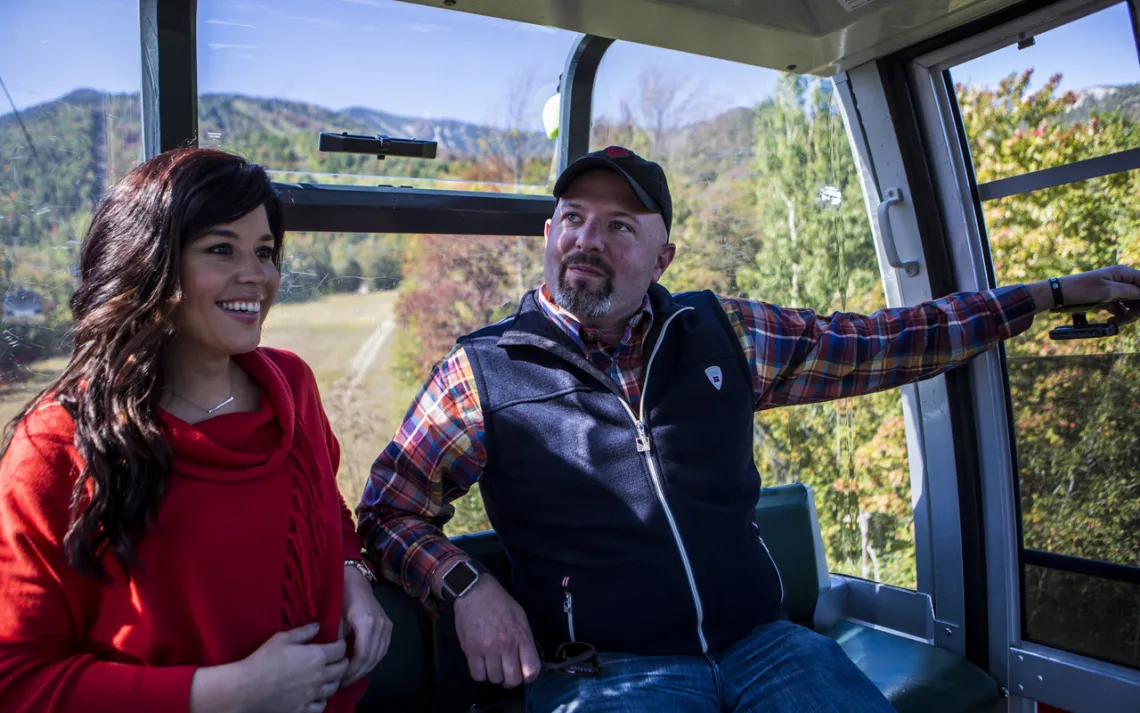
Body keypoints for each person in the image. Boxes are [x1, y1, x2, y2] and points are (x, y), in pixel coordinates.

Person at [356, 146, 1140, 712]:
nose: (587, 239)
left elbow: (887, 340)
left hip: (770, 647)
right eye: (572, 218)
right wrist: (466, 583)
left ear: (662, 255)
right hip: (607, 673)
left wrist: (1048, 293)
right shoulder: (485, 370)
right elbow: (390, 510)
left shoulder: (724, 333)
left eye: (619, 225)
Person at [0, 148, 392, 713]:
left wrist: (355, 576)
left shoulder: (293, 387)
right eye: (220, 249)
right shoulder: (57, 445)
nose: (256, 275)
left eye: (264, 251)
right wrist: (229, 694)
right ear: (149, 263)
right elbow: (19, 682)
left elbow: (325, 509)